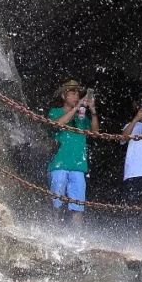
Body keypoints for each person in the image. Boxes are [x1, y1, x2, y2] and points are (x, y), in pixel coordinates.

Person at [47, 80, 99, 218]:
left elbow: (95, 133)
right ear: (64, 96)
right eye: (73, 93)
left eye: (78, 94)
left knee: (78, 207)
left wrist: (93, 111)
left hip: (79, 166)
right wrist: (76, 109)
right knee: (56, 203)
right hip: (60, 164)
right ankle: (52, 231)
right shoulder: (55, 112)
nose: (77, 96)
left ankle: (77, 238)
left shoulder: (82, 118)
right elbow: (57, 124)